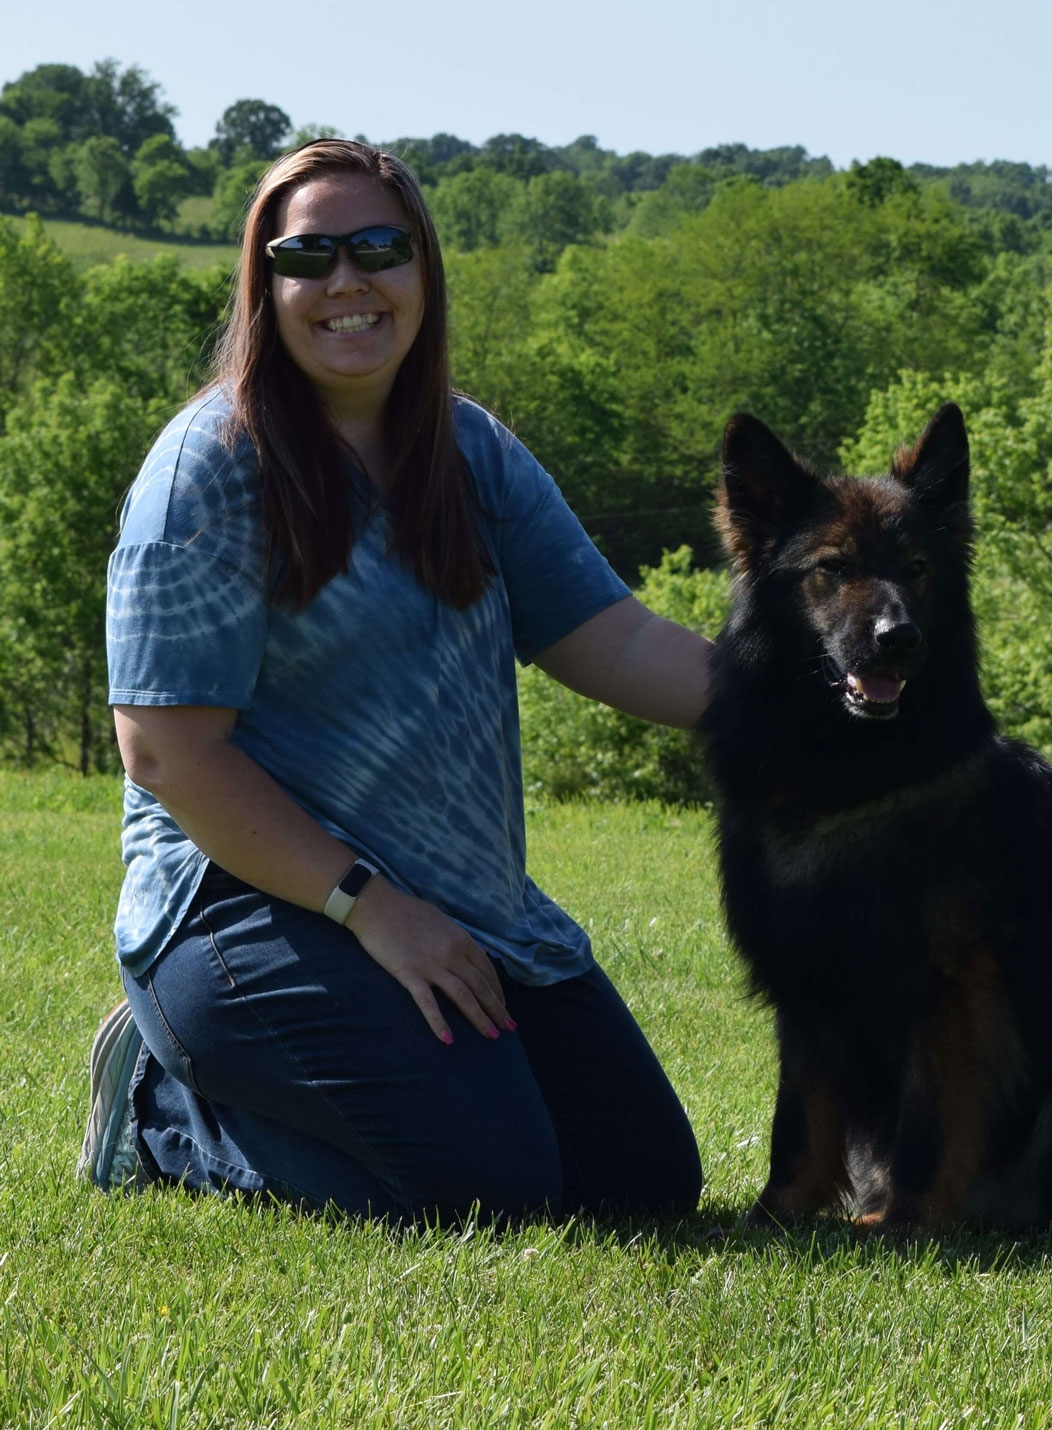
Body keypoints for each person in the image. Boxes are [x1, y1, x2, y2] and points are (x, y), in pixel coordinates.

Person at [79, 139, 709, 1224]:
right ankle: (166, 1105)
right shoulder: (209, 469)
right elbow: (167, 752)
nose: (346, 280)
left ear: (423, 269)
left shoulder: (469, 453)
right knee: (492, 1192)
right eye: (307, 254)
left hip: (457, 901)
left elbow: (615, 641)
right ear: (263, 283)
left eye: (379, 247)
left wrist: (824, 702)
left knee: (641, 1182)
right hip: (242, 903)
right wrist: (372, 908)